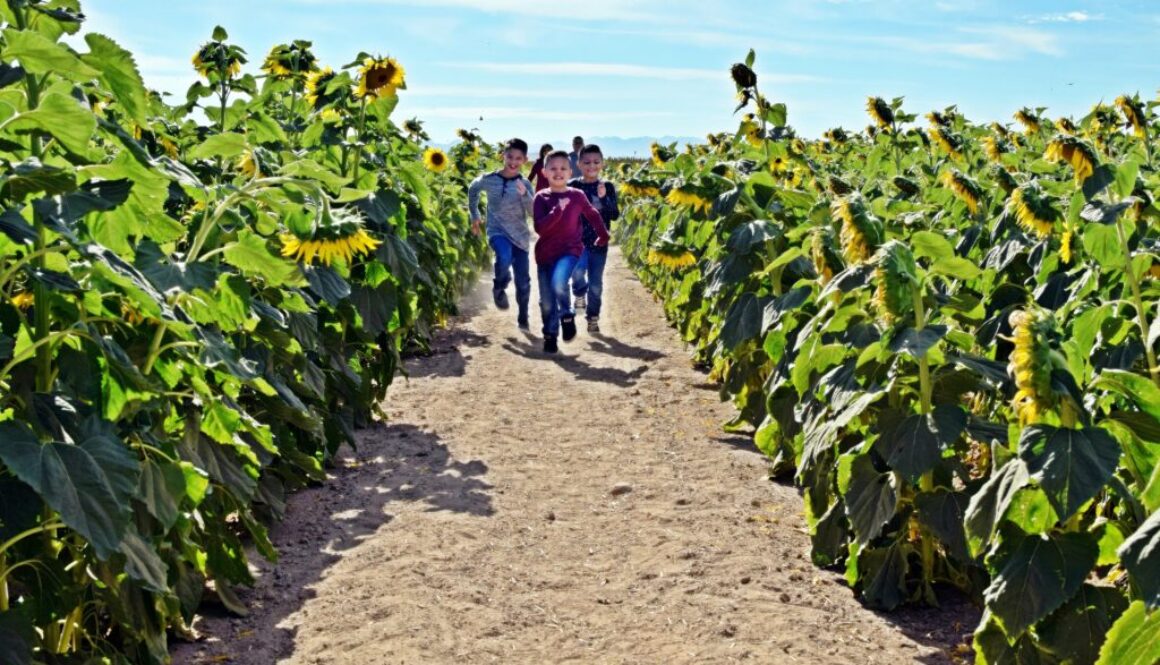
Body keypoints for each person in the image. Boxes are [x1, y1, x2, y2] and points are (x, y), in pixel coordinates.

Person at [533, 150, 609, 353]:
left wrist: (603, 233)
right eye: (553, 168)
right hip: (545, 254)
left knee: (559, 282)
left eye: (563, 168)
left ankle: (566, 314)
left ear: (570, 172)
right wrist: (557, 210)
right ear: (544, 172)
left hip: (570, 250)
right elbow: (540, 228)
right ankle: (550, 335)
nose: (559, 172)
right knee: (547, 301)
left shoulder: (576, 196)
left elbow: (592, 213)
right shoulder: (541, 198)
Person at [468, 138, 535, 329]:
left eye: (518, 158)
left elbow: (532, 212)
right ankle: (499, 286)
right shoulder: (489, 179)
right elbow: (473, 189)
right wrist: (475, 214)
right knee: (503, 257)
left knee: (523, 281)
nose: (513, 162)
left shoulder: (524, 184)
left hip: (520, 237)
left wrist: (525, 195)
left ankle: (523, 316)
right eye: (510, 156)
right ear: (502, 156)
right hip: (497, 230)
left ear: (525, 160)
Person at [568, 144, 618, 333]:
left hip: (599, 243)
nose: (592, 166)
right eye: (587, 162)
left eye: (596, 162)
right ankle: (579, 293)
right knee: (578, 273)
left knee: (596, 283)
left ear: (602, 164)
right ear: (579, 164)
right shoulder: (573, 186)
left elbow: (614, 215)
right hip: (577, 242)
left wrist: (604, 198)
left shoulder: (607, 187)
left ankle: (593, 318)